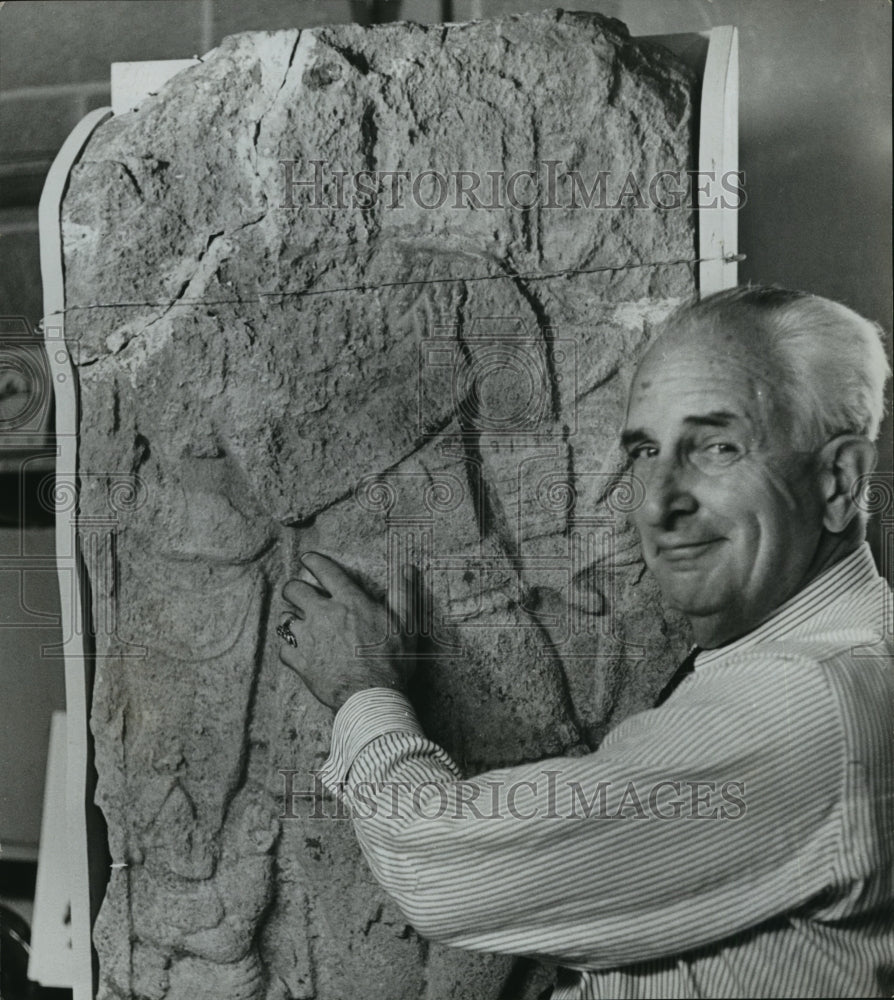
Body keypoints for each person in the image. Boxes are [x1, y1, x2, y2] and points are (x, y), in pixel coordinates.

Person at [277, 286, 894, 998]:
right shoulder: (832, 652)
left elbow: (446, 873)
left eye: (719, 447)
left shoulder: (805, 703)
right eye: (645, 451)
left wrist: (363, 687)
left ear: (839, 481)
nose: (659, 502)